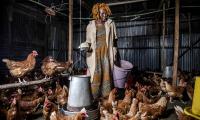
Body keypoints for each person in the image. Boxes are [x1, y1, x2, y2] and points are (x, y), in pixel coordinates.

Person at [80, 3, 118, 99]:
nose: (104, 15)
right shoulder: (90, 26)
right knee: (95, 75)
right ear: (97, 13)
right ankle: (94, 97)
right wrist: (85, 46)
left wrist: (115, 52)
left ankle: (106, 98)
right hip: (95, 53)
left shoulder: (111, 23)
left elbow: (114, 40)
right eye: (102, 13)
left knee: (107, 74)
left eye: (105, 13)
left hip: (106, 52)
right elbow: (88, 41)